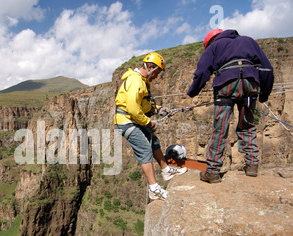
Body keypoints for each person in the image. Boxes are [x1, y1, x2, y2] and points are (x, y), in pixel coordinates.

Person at [187, 29, 274, 183]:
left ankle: (213, 171)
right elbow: (267, 69)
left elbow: (202, 72)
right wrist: (264, 94)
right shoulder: (249, 41)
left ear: (210, 42)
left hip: (226, 84)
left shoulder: (214, 46)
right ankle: (252, 165)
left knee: (220, 128)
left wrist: (193, 92)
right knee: (246, 125)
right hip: (250, 84)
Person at [115, 52, 187, 201]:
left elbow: (144, 103)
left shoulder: (141, 81)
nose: (156, 77)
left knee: (154, 142)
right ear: (151, 67)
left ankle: (166, 170)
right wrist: (148, 122)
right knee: (145, 149)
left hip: (133, 120)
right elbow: (133, 108)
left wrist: (158, 108)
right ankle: (153, 188)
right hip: (126, 122)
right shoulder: (136, 81)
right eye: (156, 73)